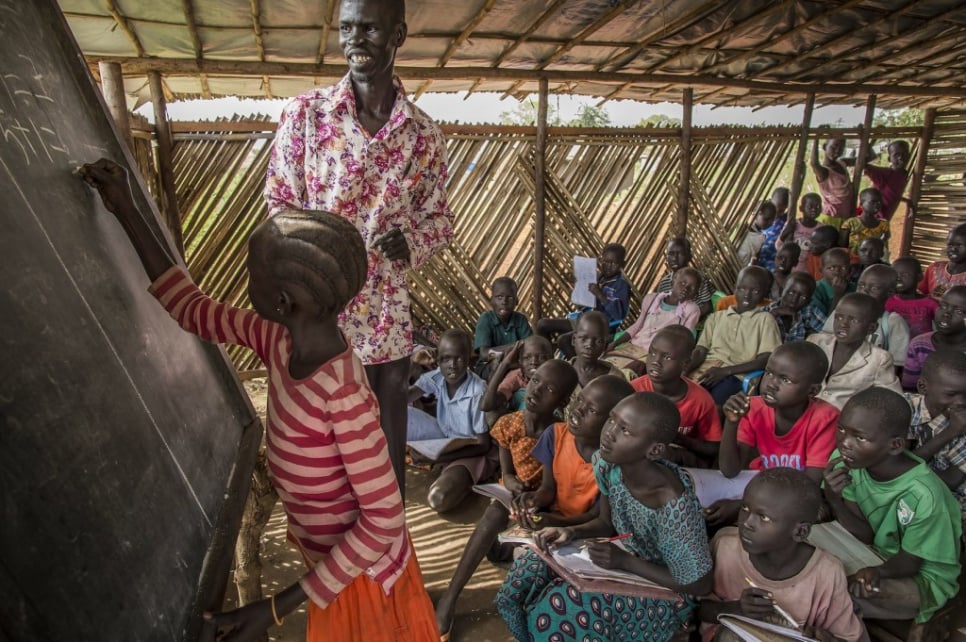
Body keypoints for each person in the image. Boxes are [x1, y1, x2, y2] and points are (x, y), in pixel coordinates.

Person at [79, 159, 439, 641]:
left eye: (254, 275)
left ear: (284, 301)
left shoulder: (344, 395)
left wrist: (274, 608)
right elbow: (194, 310)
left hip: (367, 583)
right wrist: (125, 209)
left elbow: (385, 521)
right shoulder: (278, 339)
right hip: (331, 570)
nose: (247, 283)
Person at [264, 0, 454, 495]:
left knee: (386, 418)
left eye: (369, 28)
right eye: (347, 27)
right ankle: (335, 533)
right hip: (315, 301)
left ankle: (387, 532)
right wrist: (302, 262)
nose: (355, 39)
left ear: (398, 35)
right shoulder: (306, 115)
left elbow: (439, 219)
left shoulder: (423, 135)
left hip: (383, 307)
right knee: (321, 419)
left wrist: (409, 241)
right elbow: (280, 202)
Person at [495, 392, 714, 642]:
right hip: (622, 560)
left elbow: (699, 584)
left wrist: (625, 562)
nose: (610, 432)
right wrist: (571, 533)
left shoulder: (674, 505)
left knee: (564, 604)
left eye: (625, 430)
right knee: (525, 574)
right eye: (612, 420)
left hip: (665, 590)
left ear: (654, 450)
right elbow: (605, 523)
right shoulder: (608, 464)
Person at [432, 359, 580, 639]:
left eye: (549, 389)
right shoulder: (509, 423)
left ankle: (513, 554)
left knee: (515, 528)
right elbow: (507, 473)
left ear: (563, 400)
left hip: (545, 505)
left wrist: (533, 498)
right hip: (514, 501)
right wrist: (512, 483)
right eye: (535, 381)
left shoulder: (561, 434)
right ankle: (450, 598)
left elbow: (553, 486)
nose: (536, 391)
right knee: (494, 512)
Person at [823, 387, 962, 623]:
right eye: (842, 430)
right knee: (811, 575)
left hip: (921, 577)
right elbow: (865, 533)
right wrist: (833, 498)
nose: (845, 443)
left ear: (896, 445)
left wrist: (878, 572)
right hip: (871, 554)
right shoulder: (846, 464)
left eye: (860, 437)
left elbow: (911, 561)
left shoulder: (925, 495)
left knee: (839, 594)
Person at [699, 468, 868, 642]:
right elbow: (695, 609)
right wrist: (736, 609)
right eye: (745, 508)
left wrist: (825, 638)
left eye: (763, 518)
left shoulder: (826, 572)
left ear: (800, 532)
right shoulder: (724, 546)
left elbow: (846, 637)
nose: (747, 523)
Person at [407, 329, 492, 513]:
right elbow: (404, 397)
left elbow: (483, 446)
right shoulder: (437, 377)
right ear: (438, 360)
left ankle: (462, 478)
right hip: (445, 438)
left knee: (439, 499)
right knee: (399, 413)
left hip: (470, 451)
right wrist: (410, 364)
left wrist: (437, 458)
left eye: (459, 359)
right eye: (446, 359)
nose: (452, 365)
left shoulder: (477, 391)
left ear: (469, 360)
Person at [631, 326, 722, 467]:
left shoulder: (701, 400)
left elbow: (713, 448)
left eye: (667, 357)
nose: (656, 362)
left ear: (685, 363)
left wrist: (680, 439)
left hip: (679, 464)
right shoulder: (633, 390)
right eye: (652, 353)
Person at [690, 266, 782, 405]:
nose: (747, 295)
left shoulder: (765, 319)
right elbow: (700, 350)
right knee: (684, 395)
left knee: (713, 404)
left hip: (736, 376)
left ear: (764, 293)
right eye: (742, 288)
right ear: (735, 288)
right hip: (706, 370)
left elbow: (766, 358)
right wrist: (685, 369)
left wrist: (726, 371)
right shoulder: (716, 318)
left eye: (755, 291)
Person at [907, 351, 966, 538]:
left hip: (953, 497)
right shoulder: (903, 408)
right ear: (923, 387)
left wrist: (904, 467)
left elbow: (952, 480)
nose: (961, 402)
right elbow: (894, 463)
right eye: (951, 394)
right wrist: (950, 433)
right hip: (915, 488)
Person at [808, 293, 902, 410]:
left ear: (871, 328)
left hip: (842, 421)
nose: (843, 324)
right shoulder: (816, 342)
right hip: (803, 413)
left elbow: (892, 399)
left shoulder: (879, 359)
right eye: (839, 317)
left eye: (854, 320)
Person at [536, 243, 631, 358]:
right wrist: (578, 287)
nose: (608, 266)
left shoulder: (621, 286)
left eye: (613, 263)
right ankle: (547, 362)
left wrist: (600, 295)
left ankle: (578, 369)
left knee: (564, 340)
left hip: (601, 327)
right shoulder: (596, 278)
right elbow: (583, 305)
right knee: (542, 324)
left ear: (623, 264)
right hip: (582, 320)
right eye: (605, 262)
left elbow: (619, 315)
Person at [604, 266, 701, 370]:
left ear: (695, 294)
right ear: (673, 282)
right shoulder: (651, 299)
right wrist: (614, 344)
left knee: (630, 371)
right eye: (682, 283)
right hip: (634, 346)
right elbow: (637, 326)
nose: (685, 289)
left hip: (657, 355)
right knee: (606, 363)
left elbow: (685, 340)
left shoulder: (692, 310)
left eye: (691, 287)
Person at [822, 264, 911, 374]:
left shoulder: (893, 322)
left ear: (890, 292)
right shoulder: (842, 313)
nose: (865, 291)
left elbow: (896, 365)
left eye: (874, 288)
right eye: (861, 286)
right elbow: (826, 342)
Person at [478, 335, 552, 425]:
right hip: (518, 426)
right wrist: (504, 365)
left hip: (544, 426)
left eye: (541, 357)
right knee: (491, 414)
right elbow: (486, 406)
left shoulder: (555, 378)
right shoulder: (517, 376)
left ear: (551, 360)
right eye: (527, 358)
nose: (533, 362)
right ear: (519, 361)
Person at [902, 285, 966, 389]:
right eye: (943, 306)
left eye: (959, 311)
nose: (946, 314)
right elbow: (909, 389)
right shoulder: (919, 345)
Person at [473, 276, 532, 379]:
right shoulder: (486, 320)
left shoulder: (521, 320)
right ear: (491, 300)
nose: (504, 302)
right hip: (487, 367)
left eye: (509, 297)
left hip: (514, 364)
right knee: (496, 365)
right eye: (499, 297)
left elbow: (530, 346)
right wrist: (516, 346)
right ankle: (492, 394)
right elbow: (484, 354)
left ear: (516, 301)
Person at [657, 236, 716, 316]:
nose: (674, 258)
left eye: (680, 254)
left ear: (689, 257)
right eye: (671, 254)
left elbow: (707, 307)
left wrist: (686, 321)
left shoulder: (698, 278)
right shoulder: (664, 283)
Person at [764, 272, 827, 342]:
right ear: (782, 290)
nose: (794, 299)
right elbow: (755, 333)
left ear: (809, 301)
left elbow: (829, 330)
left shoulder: (809, 311)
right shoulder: (766, 310)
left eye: (803, 297)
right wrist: (774, 313)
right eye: (791, 293)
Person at [886, 256, 938, 338]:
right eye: (895, 274)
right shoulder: (886, 301)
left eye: (905, 274)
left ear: (919, 277)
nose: (898, 278)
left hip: (920, 348)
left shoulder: (931, 303)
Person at [811, 137, 854, 229]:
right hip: (830, 217)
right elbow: (814, 163)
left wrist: (867, 140)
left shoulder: (842, 163)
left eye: (841, 148)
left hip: (845, 217)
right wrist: (816, 137)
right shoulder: (824, 172)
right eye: (833, 147)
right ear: (825, 147)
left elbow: (866, 158)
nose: (837, 151)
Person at [864, 140, 912, 222]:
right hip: (871, 219)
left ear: (909, 156)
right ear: (889, 159)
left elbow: (891, 194)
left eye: (904, 154)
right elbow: (863, 164)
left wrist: (906, 201)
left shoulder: (904, 174)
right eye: (896, 155)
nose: (900, 157)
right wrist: (871, 141)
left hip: (882, 221)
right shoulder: (883, 174)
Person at [919, 223, 966, 301]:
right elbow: (920, 293)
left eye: (959, 245)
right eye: (950, 245)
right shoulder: (934, 268)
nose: (953, 249)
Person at [778, 192, 822, 273]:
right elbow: (778, 246)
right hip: (789, 267)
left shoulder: (821, 229)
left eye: (818, 206)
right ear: (801, 208)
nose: (814, 209)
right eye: (810, 206)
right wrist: (786, 231)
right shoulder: (793, 224)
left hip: (808, 270)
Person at [840, 188, 889, 254]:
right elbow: (842, 248)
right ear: (861, 204)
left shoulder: (883, 224)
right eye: (873, 202)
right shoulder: (850, 224)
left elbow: (884, 248)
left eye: (879, 201)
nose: (877, 204)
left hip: (874, 261)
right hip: (853, 261)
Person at [736, 200, 778, 267]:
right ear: (758, 214)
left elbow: (757, 255)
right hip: (732, 261)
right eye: (766, 219)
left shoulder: (762, 237)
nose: (769, 223)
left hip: (742, 267)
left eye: (772, 221)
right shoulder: (744, 229)